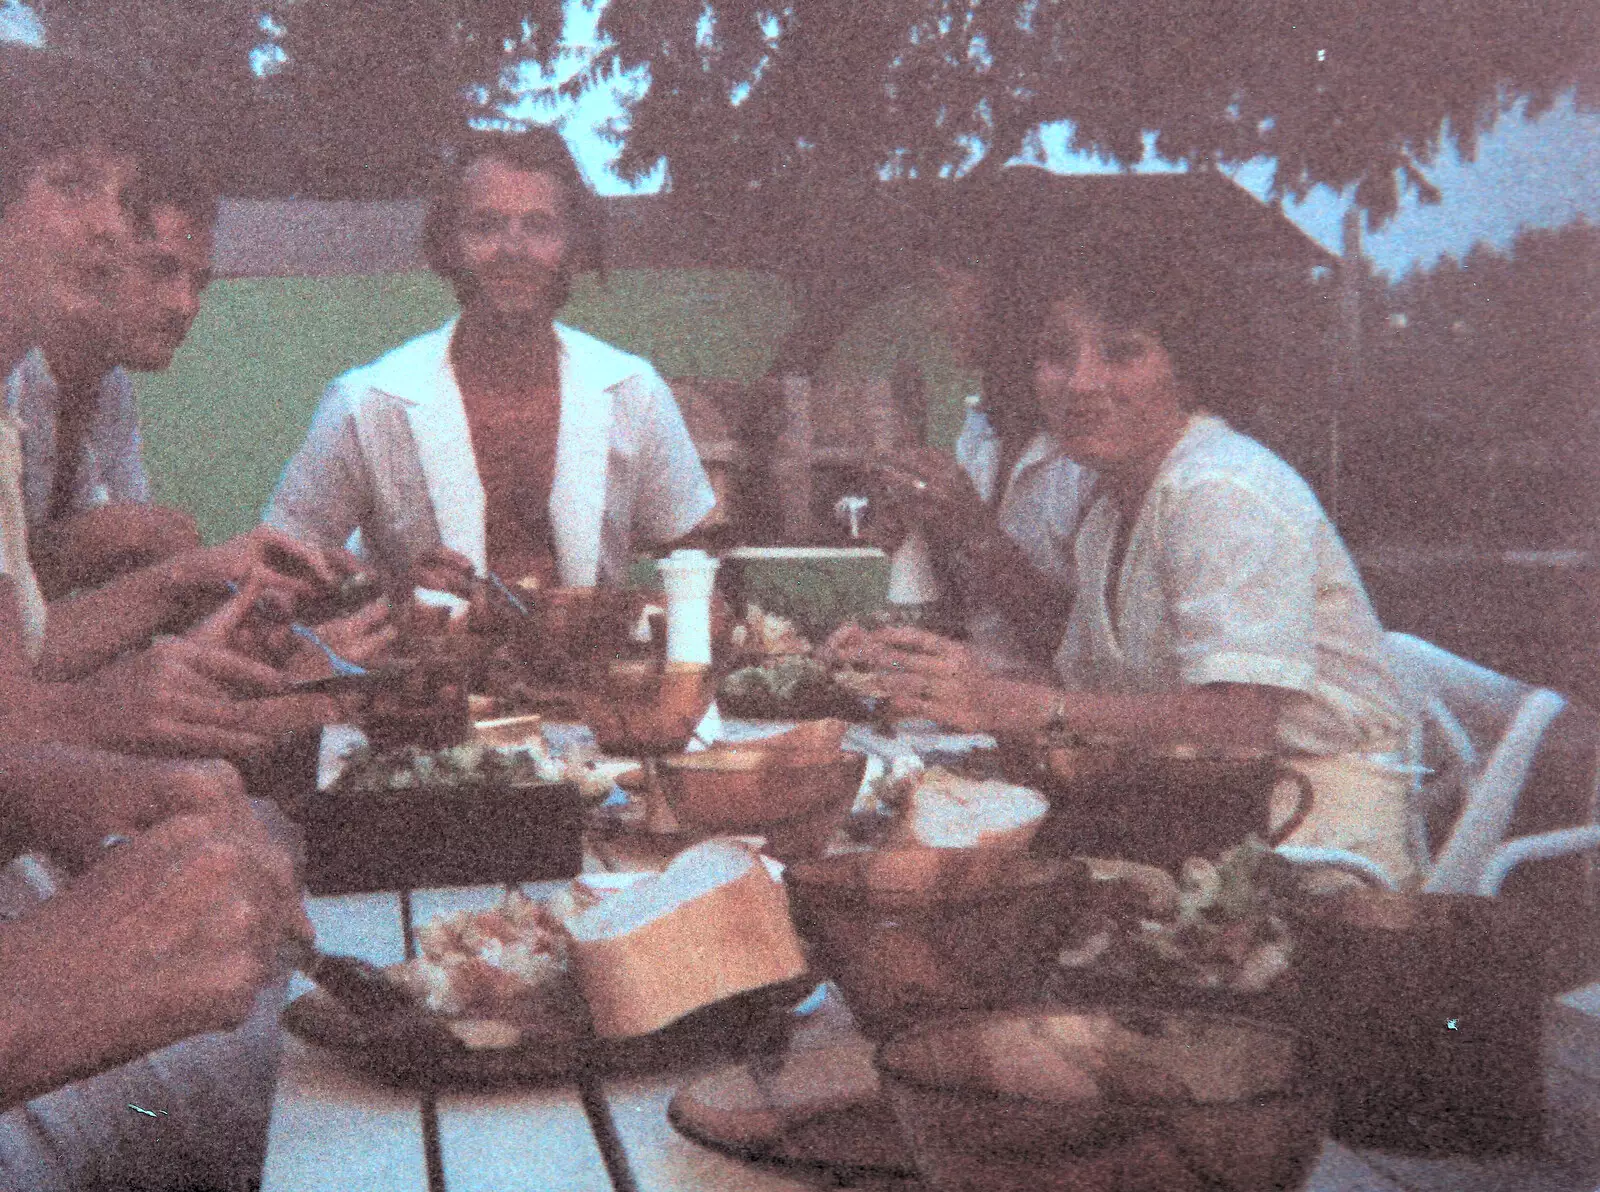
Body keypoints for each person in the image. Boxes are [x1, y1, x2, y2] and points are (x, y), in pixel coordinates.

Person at [832, 232, 1419, 885]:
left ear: (1191, 367)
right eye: (1057, 356)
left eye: (1123, 352)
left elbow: (1236, 726)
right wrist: (921, 675)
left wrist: (1017, 705)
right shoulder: (1112, 508)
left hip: (1312, 862)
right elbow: (1091, 695)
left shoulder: (1222, 489)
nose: (1082, 383)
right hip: (1193, 836)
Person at [266, 125, 716, 595]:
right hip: (422, 669)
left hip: (589, 667)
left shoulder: (632, 392)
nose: (513, 251)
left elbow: (698, 567)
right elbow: (279, 576)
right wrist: (390, 590)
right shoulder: (368, 403)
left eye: (539, 226)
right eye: (485, 226)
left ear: (575, 247)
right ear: (447, 245)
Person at [9, 149, 218, 596]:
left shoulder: (111, 388)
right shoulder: (11, 372)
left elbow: (135, 570)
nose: (185, 306)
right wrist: (105, 538)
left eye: (198, 283)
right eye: (161, 270)